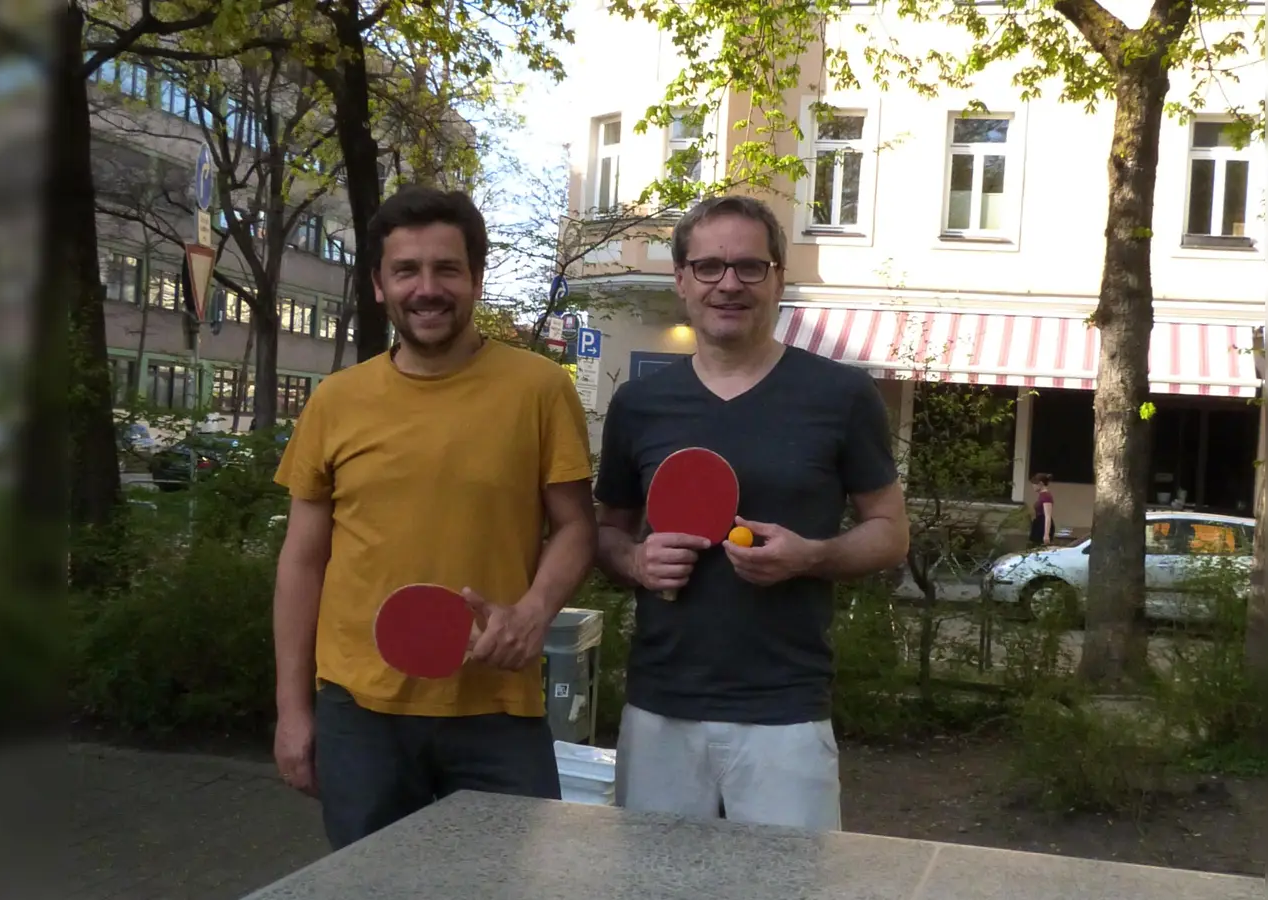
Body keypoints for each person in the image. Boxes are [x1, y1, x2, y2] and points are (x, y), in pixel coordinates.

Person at [270, 185, 597, 850]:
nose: (428, 288)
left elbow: (576, 527)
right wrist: (292, 710)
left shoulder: (539, 390)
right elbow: (303, 562)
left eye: (447, 268)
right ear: (379, 284)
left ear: (476, 277)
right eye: (406, 271)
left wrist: (533, 612)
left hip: (497, 709)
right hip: (360, 716)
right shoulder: (336, 401)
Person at [592, 195, 910, 831]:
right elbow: (604, 533)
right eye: (708, 267)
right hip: (660, 709)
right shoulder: (639, 404)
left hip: (786, 713)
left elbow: (890, 533)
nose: (729, 284)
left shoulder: (841, 395)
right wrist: (634, 560)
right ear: (681, 280)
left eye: (749, 267)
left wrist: (813, 556)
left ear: (778, 279)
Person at [1028, 472, 1055, 546]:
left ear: (1040, 483)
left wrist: (1046, 534)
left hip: (1043, 525)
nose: (1033, 486)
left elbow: (1047, 516)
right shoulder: (1041, 495)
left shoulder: (1046, 496)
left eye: (1034, 483)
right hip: (1038, 523)